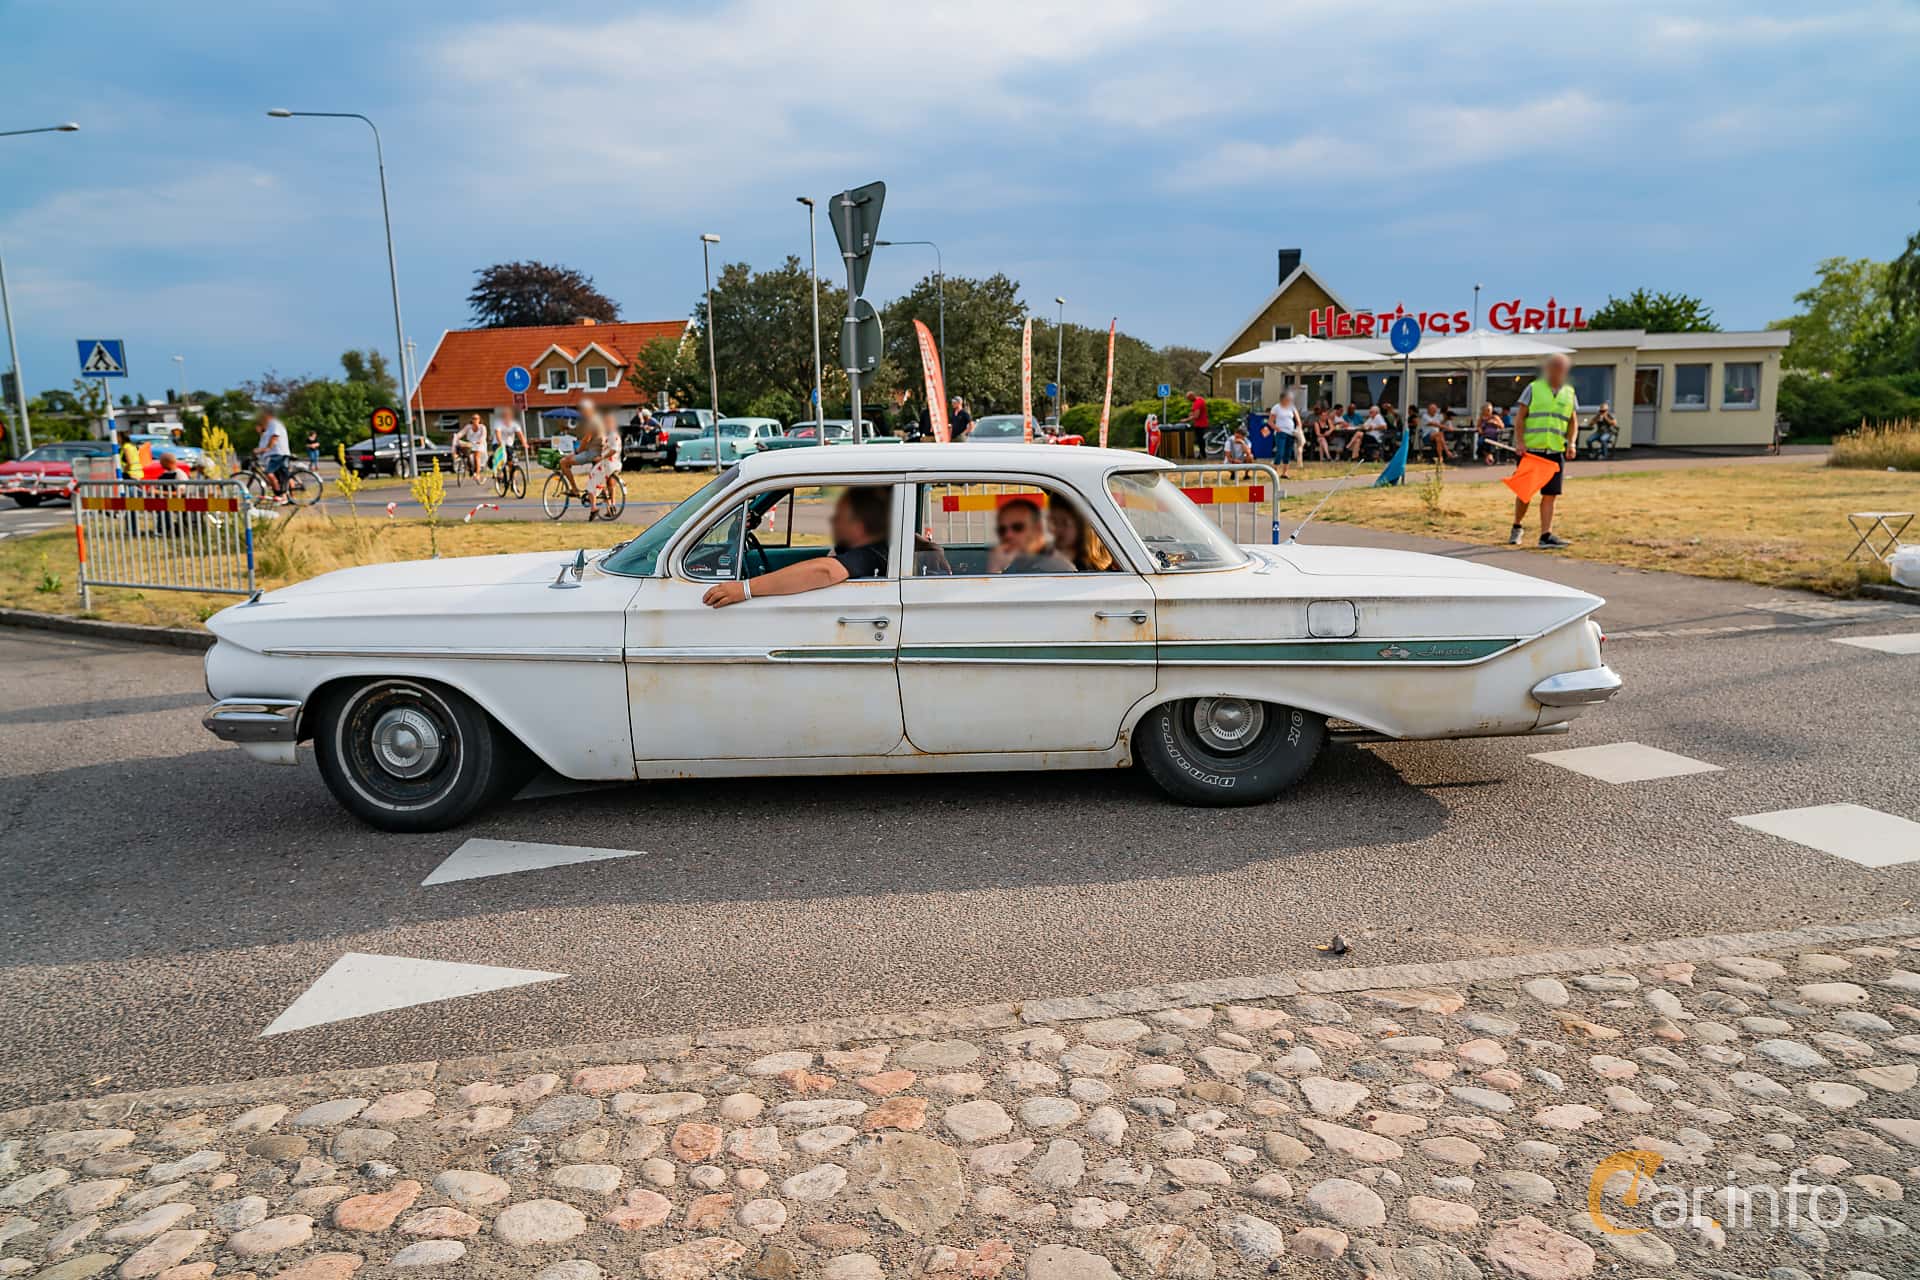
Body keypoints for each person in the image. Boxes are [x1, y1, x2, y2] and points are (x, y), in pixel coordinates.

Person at [704, 485, 891, 607]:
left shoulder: (873, 554)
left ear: (859, 525)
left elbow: (825, 571)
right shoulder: (858, 545)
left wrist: (744, 589)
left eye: (840, 517)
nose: (833, 521)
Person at [1509, 353, 1578, 547]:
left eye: (1562, 369)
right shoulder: (1533, 388)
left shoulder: (1569, 393)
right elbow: (1520, 418)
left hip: (1555, 451)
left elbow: (1572, 421)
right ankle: (1517, 526)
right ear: (1548, 369)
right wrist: (1520, 442)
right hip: (1532, 451)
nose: (1558, 372)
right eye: (1555, 368)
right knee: (1525, 494)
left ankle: (1545, 535)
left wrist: (1571, 443)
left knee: (1550, 494)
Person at [987, 497, 1073, 573]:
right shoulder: (1016, 561)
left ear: (1038, 529)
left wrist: (995, 569)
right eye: (1002, 530)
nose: (1008, 535)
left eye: (1018, 527)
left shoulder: (1056, 569)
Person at [1049, 503, 1113, 572]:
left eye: (1065, 523)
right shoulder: (1049, 558)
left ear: (1081, 527)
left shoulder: (1086, 568)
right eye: (1053, 522)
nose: (1057, 529)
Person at [254, 409, 291, 502]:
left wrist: (266, 449)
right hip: (276, 453)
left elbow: (274, 437)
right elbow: (265, 440)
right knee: (283, 475)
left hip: (278, 453)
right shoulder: (270, 426)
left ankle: (279, 494)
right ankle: (286, 497)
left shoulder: (274, 424)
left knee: (269, 473)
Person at [1267, 391, 1303, 478]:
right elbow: (1270, 422)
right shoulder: (1276, 408)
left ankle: (1285, 472)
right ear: (1283, 399)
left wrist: (1298, 428)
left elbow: (1298, 420)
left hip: (1291, 433)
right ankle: (1274, 471)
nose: (1289, 400)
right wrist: (1277, 428)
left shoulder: (1292, 407)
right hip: (1281, 432)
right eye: (1288, 398)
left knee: (1288, 453)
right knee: (1280, 452)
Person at [454, 413, 488, 479]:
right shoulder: (468, 427)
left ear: (479, 420)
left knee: (476, 456)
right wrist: (456, 437)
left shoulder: (482, 427)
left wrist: (480, 440)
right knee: (467, 455)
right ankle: (470, 469)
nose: (474, 420)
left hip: (480, 444)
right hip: (470, 444)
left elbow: (483, 435)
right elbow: (461, 433)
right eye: (473, 418)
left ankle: (477, 474)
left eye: (476, 418)